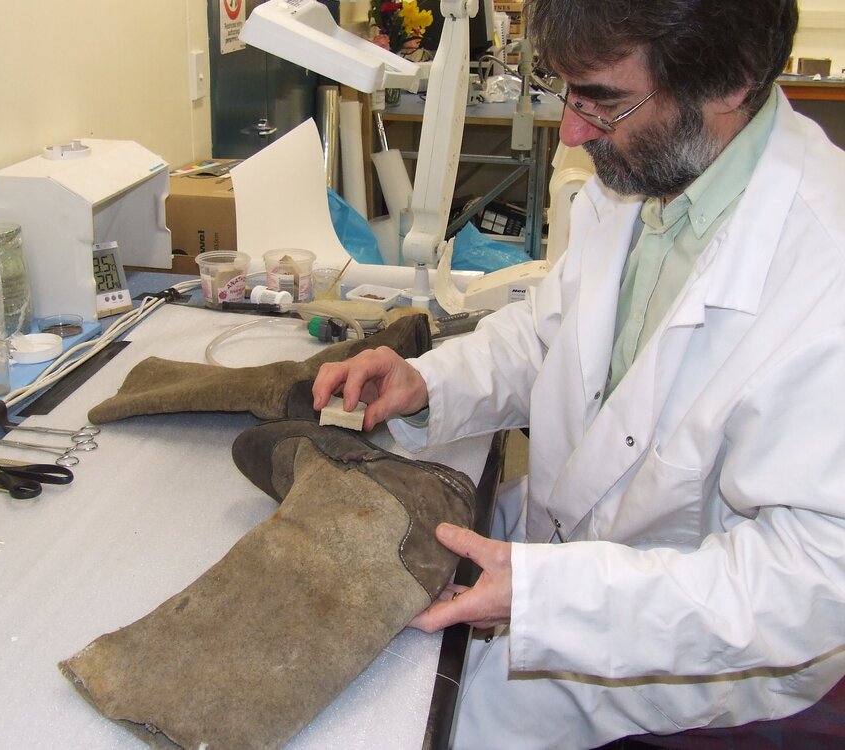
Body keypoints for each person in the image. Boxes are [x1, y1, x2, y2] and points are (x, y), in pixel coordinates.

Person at [312, 0, 845, 747]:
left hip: (689, 652)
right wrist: (430, 381)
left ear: (731, 80)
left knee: (398, 724)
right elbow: (548, 334)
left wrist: (555, 602)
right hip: (561, 539)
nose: (571, 131)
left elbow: (815, 582)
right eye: (567, 91)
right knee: (366, 565)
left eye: (603, 99)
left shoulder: (825, 270)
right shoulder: (648, 175)